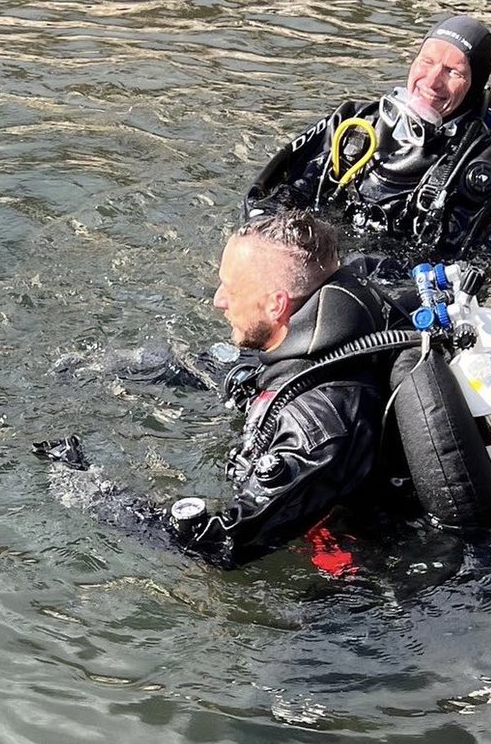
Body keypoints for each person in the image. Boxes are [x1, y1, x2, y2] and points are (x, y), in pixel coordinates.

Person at [164, 211, 402, 567]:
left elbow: (223, 544)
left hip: (355, 588)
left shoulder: (316, 426)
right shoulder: (350, 321)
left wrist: (91, 489)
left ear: (276, 305)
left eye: (231, 289)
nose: (218, 300)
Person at [244, 15, 491, 261]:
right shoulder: (356, 122)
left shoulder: (479, 166)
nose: (432, 81)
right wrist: (276, 241)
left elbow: (440, 257)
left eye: (454, 72)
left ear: (474, 87)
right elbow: (282, 193)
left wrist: (333, 266)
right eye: (427, 61)